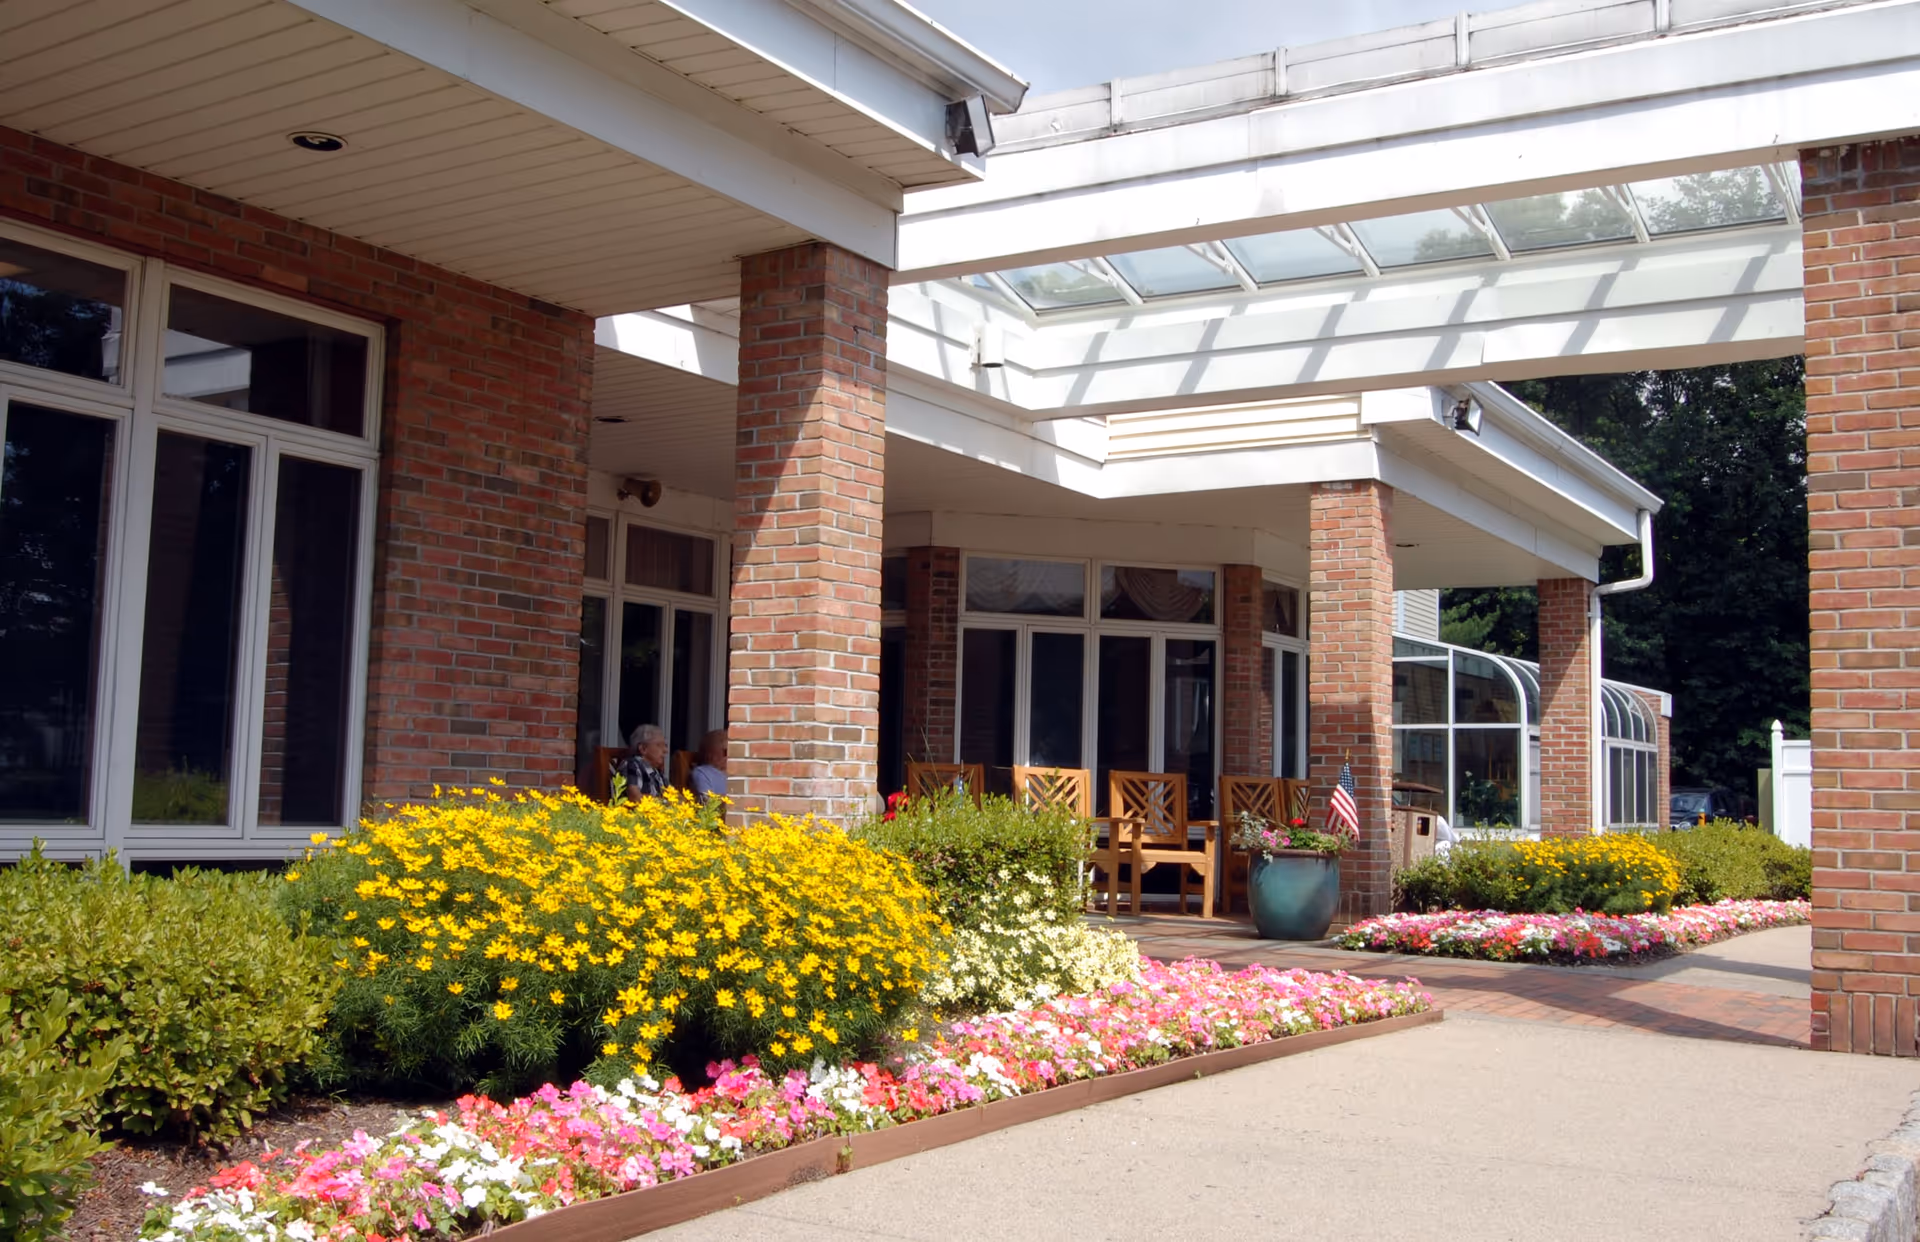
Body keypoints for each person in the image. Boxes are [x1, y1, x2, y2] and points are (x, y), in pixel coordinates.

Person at [619, 723, 669, 801]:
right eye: (659, 745)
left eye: (665, 745)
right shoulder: (632, 765)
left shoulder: (656, 771)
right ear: (643, 749)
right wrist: (666, 802)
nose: (666, 750)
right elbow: (635, 797)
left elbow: (676, 795)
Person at [689, 728, 728, 801]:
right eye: (725, 751)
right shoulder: (703, 773)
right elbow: (706, 802)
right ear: (710, 754)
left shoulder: (736, 771)